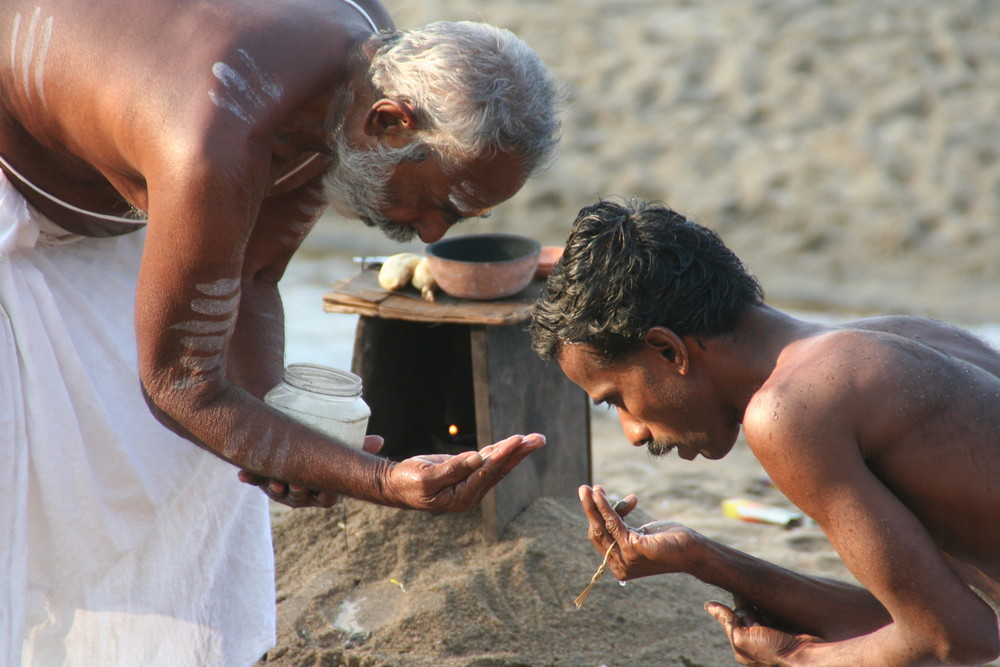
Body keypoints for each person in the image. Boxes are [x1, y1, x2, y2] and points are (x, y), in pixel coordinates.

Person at [1, 0, 561, 663]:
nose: (434, 232)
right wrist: (381, 479)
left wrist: (287, 428)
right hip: (23, 189)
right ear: (389, 123)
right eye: (445, 201)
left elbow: (255, 273)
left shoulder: (362, 70)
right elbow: (179, 384)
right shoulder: (216, 144)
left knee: (203, 477)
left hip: (115, 201)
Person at [529, 198, 1000, 666]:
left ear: (668, 350)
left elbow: (958, 641)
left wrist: (799, 659)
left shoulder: (788, 412)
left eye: (617, 400)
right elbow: (931, 614)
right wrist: (702, 559)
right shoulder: (895, 337)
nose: (632, 434)